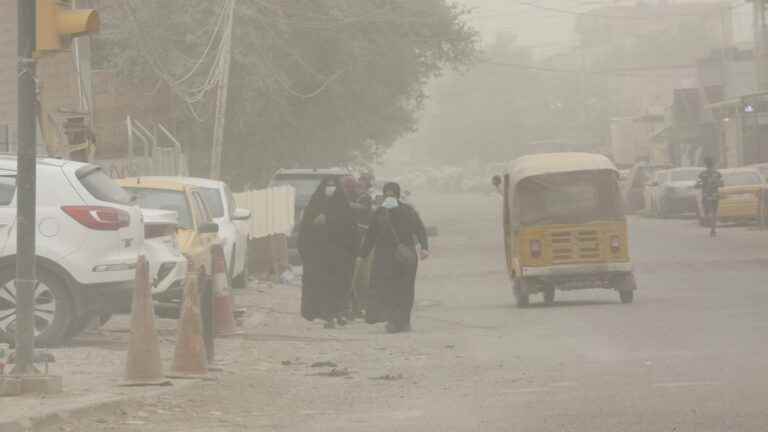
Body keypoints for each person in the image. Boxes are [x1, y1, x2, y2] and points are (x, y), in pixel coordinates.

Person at [360, 182, 429, 333]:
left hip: (405, 256)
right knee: (389, 289)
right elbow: (371, 235)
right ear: (384, 195)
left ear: (397, 195)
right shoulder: (380, 213)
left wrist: (424, 248)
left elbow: (420, 229)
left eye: (392, 194)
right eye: (387, 194)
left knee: (405, 289)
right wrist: (363, 254)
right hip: (386, 256)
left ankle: (404, 321)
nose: (389, 197)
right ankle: (393, 321)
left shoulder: (407, 211)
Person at [298, 177, 359, 328]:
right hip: (319, 255)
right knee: (323, 285)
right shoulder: (314, 205)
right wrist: (315, 223)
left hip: (341, 254)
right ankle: (328, 316)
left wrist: (330, 219)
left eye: (333, 185)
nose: (330, 188)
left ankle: (340, 313)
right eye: (328, 185)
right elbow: (305, 230)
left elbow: (351, 229)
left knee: (340, 285)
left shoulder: (343, 206)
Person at [695, 157, 724, 237]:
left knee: (707, 212)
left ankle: (712, 227)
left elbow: (697, 185)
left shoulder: (702, 174)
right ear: (713, 164)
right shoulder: (717, 174)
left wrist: (701, 185)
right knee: (714, 213)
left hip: (706, 195)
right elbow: (722, 184)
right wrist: (716, 183)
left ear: (705, 164)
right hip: (715, 195)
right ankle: (713, 229)